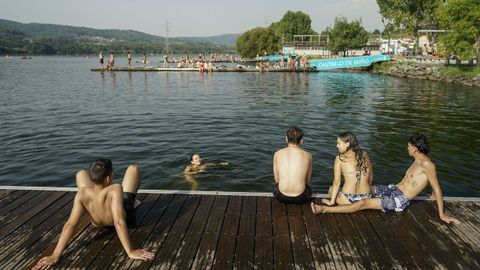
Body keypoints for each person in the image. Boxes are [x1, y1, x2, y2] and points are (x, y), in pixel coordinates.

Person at [311, 134, 461, 224]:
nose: (406, 148)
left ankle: (325, 209)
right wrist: (432, 195)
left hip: (399, 200)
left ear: (415, 148)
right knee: (366, 189)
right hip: (394, 189)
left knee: (364, 202)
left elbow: (437, 187)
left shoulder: (428, 164)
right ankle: (344, 200)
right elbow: (422, 182)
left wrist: (442, 214)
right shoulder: (417, 160)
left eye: (408, 146)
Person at [33, 159, 154, 270]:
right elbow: (119, 221)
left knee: (80, 173)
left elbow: (70, 224)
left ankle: (125, 203)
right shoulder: (116, 188)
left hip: (97, 222)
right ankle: (131, 204)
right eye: (112, 172)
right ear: (107, 179)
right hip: (122, 219)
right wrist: (130, 251)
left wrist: (55, 255)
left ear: (92, 178)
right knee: (133, 168)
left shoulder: (81, 194)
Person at [323, 132, 373, 206]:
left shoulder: (339, 158)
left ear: (347, 144)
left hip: (347, 199)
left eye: (339, 143)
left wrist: (332, 202)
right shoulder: (365, 155)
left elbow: (337, 182)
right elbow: (371, 177)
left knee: (331, 189)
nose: (337, 146)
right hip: (366, 197)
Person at [273, 126, 313, 204]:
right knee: (309, 187)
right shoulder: (308, 156)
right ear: (301, 141)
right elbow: (307, 181)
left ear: (286, 139)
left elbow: (277, 180)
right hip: (301, 198)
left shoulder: (277, 154)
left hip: (281, 196)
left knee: (275, 186)